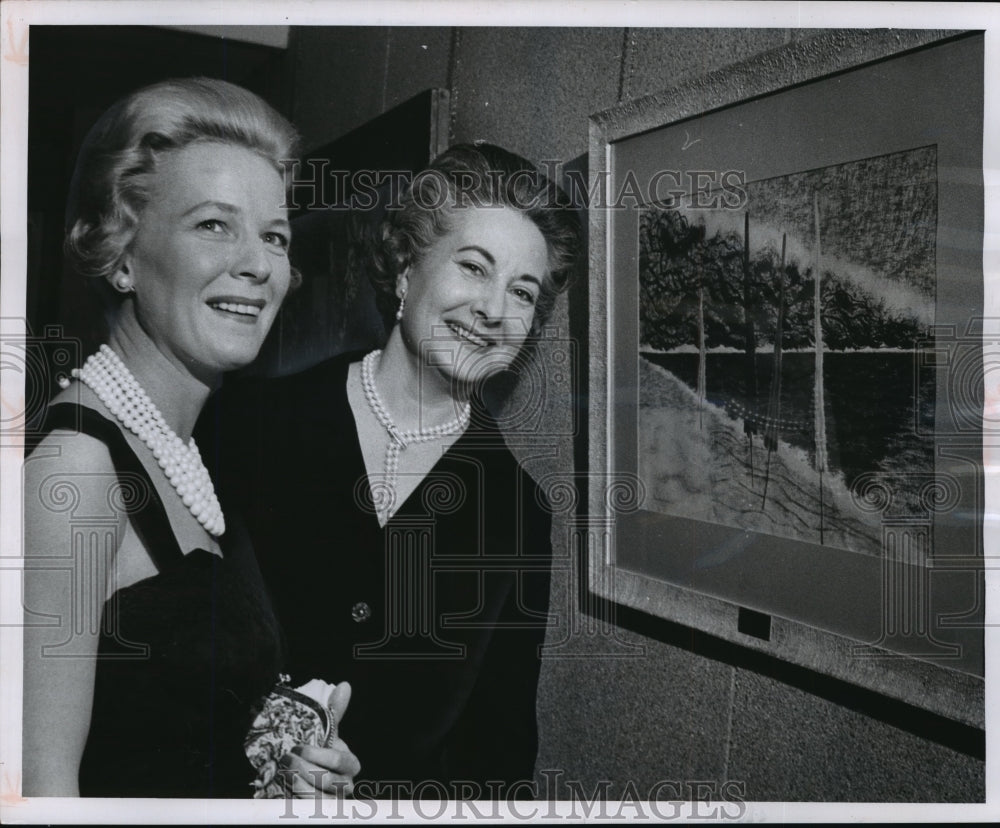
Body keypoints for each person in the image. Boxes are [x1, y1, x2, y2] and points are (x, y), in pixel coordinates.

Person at [202, 143, 582, 799]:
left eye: (522, 292)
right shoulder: (249, 425)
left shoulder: (518, 511)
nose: (494, 310)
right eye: (473, 267)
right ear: (406, 267)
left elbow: (499, 750)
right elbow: (164, 662)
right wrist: (262, 752)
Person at [22, 77, 358, 798]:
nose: (259, 264)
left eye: (275, 235)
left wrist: (288, 764)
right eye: (214, 224)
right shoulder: (78, 470)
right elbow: (41, 795)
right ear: (120, 253)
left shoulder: (186, 453)